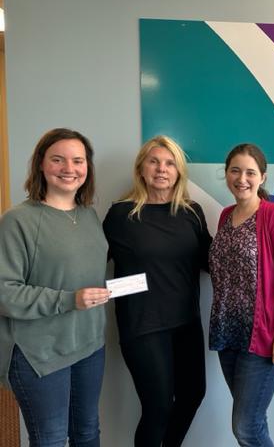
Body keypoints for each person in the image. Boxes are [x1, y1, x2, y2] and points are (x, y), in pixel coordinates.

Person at [0, 128, 110, 447]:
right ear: (41, 164)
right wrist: (68, 299)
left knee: (88, 433)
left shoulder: (89, 215)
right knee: (50, 440)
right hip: (40, 351)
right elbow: (5, 292)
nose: (69, 168)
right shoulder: (17, 220)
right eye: (58, 159)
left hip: (89, 344)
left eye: (78, 160)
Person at [102, 135, 212, 447]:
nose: (162, 169)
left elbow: (210, 261)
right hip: (143, 325)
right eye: (154, 162)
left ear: (178, 172)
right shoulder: (121, 214)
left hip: (186, 322)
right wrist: (116, 288)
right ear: (141, 168)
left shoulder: (191, 212)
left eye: (170, 163)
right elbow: (92, 265)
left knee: (192, 395)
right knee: (158, 406)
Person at [209, 143, 274, 447]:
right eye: (235, 171)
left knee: (246, 427)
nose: (242, 178)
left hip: (263, 335)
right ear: (226, 174)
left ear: (262, 177)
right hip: (229, 332)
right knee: (253, 419)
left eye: (250, 172)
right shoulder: (225, 216)